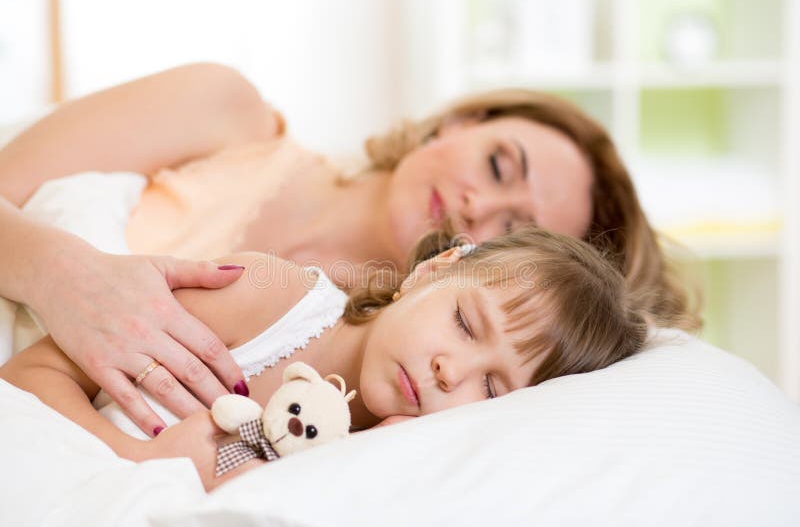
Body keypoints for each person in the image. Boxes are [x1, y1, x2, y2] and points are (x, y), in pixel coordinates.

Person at [0, 63, 698, 437]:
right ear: (459, 123)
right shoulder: (223, 109)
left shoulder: (384, 396)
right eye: (496, 166)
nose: (477, 207)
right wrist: (61, 273)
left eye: (512, 229)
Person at [0, 224, 650, 491]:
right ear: (435, 270)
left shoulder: (399, 467)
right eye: (463, 322)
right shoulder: (264, 297)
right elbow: (30, 375)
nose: (453, 371)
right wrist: (139, 463)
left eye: (492, 391)